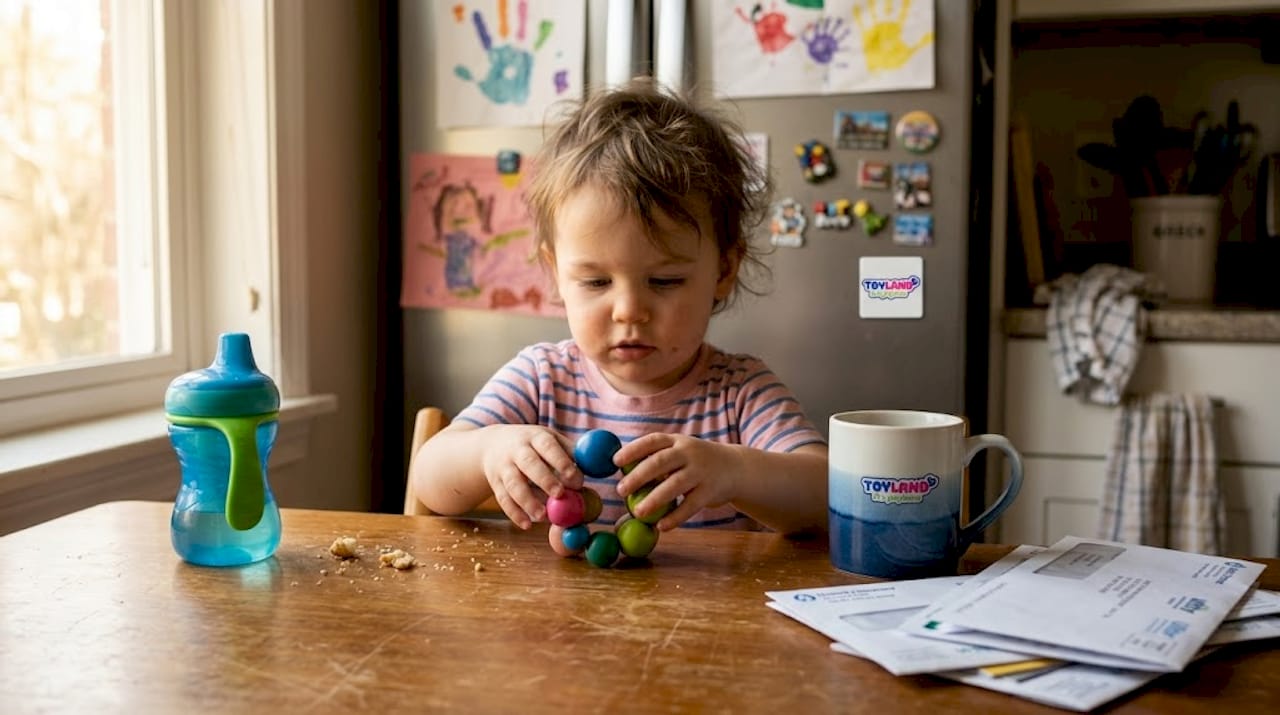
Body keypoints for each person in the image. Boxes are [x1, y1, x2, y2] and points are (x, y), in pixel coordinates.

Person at [410, 78, 827, 535]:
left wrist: (735, 471)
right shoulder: (541, 379)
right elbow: (429, 480)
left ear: (724, 271)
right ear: (556, 275)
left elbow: (827, 496)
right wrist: (489, 451)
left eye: (665, 281)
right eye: (596, 281)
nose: (629, 310)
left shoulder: (740, 394)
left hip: (700, 608)